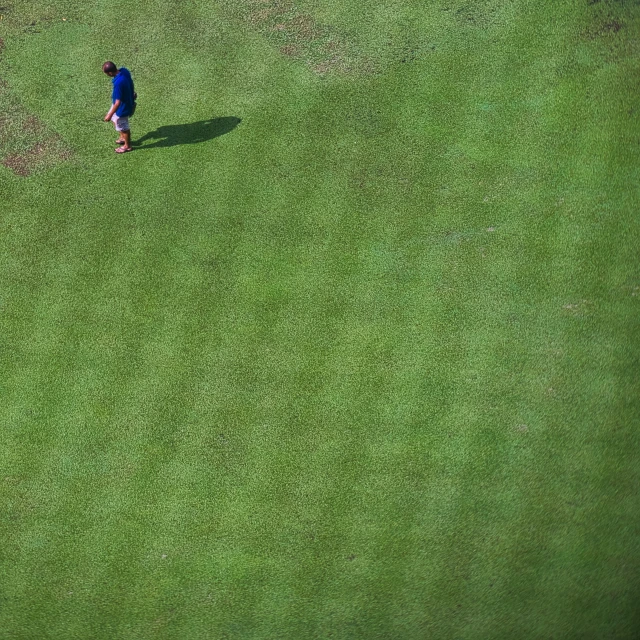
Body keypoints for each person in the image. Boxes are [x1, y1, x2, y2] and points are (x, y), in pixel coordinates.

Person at [102, 61, 136, 153]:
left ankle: (127, 146)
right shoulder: (124, 71)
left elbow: (117, 103)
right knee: (115, 120)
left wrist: (109, 114)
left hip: (122, 108)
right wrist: (132, 92)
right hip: (123, 103)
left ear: (110, 73)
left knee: (124, 127)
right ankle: (122, 138)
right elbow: (131, 82)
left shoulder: (118, 84)